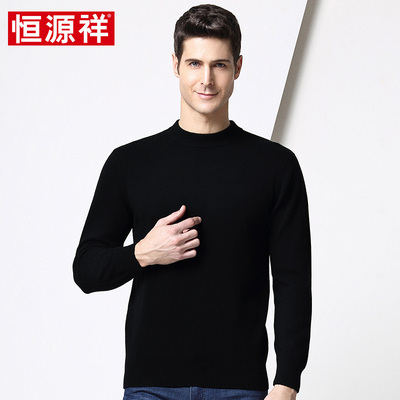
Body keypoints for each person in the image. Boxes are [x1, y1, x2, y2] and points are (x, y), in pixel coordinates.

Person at [73, 4, 311, 400]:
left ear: (237, 67)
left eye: (219, 65)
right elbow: (86, 269)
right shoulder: (131, 162)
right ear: (176, 65)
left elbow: (293, 280)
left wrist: (287, 381)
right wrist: (142, 253)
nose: (206, 79)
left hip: (240, 387)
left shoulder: (275, 166)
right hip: (152, 386)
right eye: (195, 63)